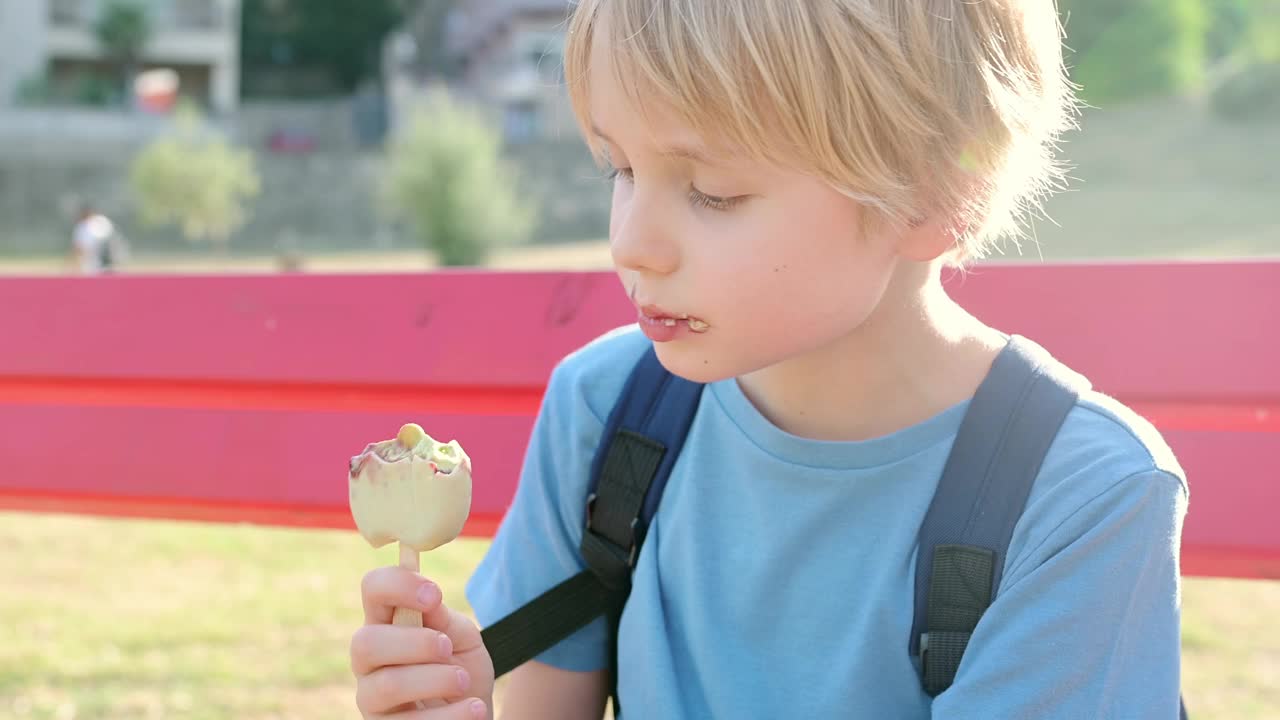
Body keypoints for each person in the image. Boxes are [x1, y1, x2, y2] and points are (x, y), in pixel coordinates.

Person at [349, 1, 1188, 718]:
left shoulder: (1081, 501)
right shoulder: (608, 413)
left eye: (712, 192)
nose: (631, 243)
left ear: (936, 197)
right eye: (619, 167)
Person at [70, 203, 128, 275]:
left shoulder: (82, 227)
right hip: (108, 265)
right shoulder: (103, 221)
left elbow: (78, 249)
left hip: (93, 267)